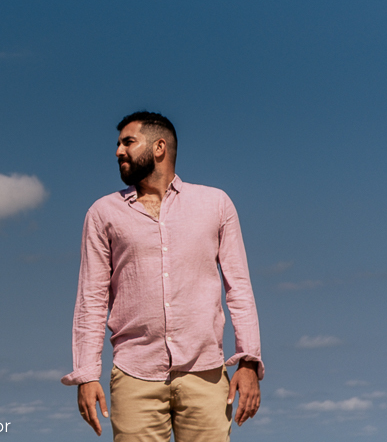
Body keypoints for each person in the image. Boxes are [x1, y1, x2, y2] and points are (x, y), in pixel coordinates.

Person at [63, 111, 263, 441]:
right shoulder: (103, 213)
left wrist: (249, 361)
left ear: (159, 147)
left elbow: (238, 288)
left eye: (128, 142)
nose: (118, 151)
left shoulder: (215, 204)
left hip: (206, 374)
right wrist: (86, 374)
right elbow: (91, 299)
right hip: (134, 374)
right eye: (117, 144)